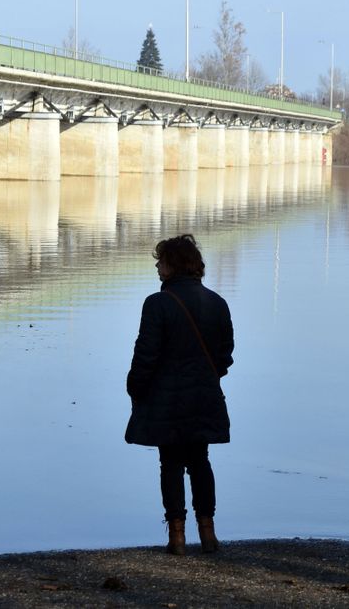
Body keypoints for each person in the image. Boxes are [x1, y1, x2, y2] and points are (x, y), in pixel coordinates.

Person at [125, 234, 234, 556]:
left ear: (173, 265)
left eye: (161, 261)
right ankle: (209, 533)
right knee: (200, 461)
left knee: (170, 463)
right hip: (204, 395)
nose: (157, 266)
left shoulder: (157, 303)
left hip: (166, 396)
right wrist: (208, 374)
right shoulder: (217, 302)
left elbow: (146, 353)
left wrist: (136, 386)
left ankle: (177, 537)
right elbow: (226, 352)